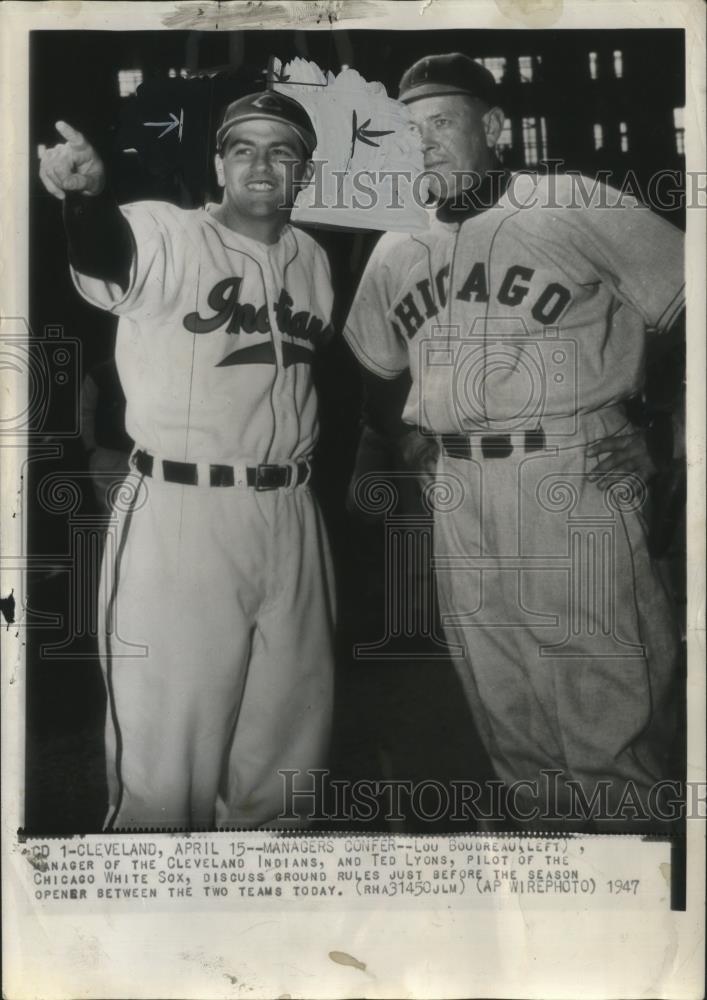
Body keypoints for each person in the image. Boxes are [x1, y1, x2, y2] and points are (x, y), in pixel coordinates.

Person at [344, 53, 684, 828]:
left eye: (440, 122)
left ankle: (638, 906)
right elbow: (373, 363)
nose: (422, 144)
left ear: (493, 127)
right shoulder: (396, 244)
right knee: (507, 711)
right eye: (406, 131)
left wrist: (665, 430)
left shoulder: (572, 202)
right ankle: (558, 899)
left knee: (609, 708)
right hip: (460, 492)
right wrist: (409, 439)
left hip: (573, 466)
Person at [38, 88, 336, 831]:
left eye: (281, 150)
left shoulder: (314, 258)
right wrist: (83, 198)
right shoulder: (166, 232)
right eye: (242, 147)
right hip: (183, 517)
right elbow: (106, 250)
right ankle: (155, 938)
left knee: (288, 766)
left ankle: (262, 932)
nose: (261, 164)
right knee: (165, 775)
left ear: (304, 171)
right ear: (217, 164)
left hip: (293, 515)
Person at [80, 356, 133, 515]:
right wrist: (91, 447)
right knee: (111, 514)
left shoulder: (145, 370)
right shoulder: (100, 373)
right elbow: (85, 411)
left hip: (137, 455)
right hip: (108, 456)